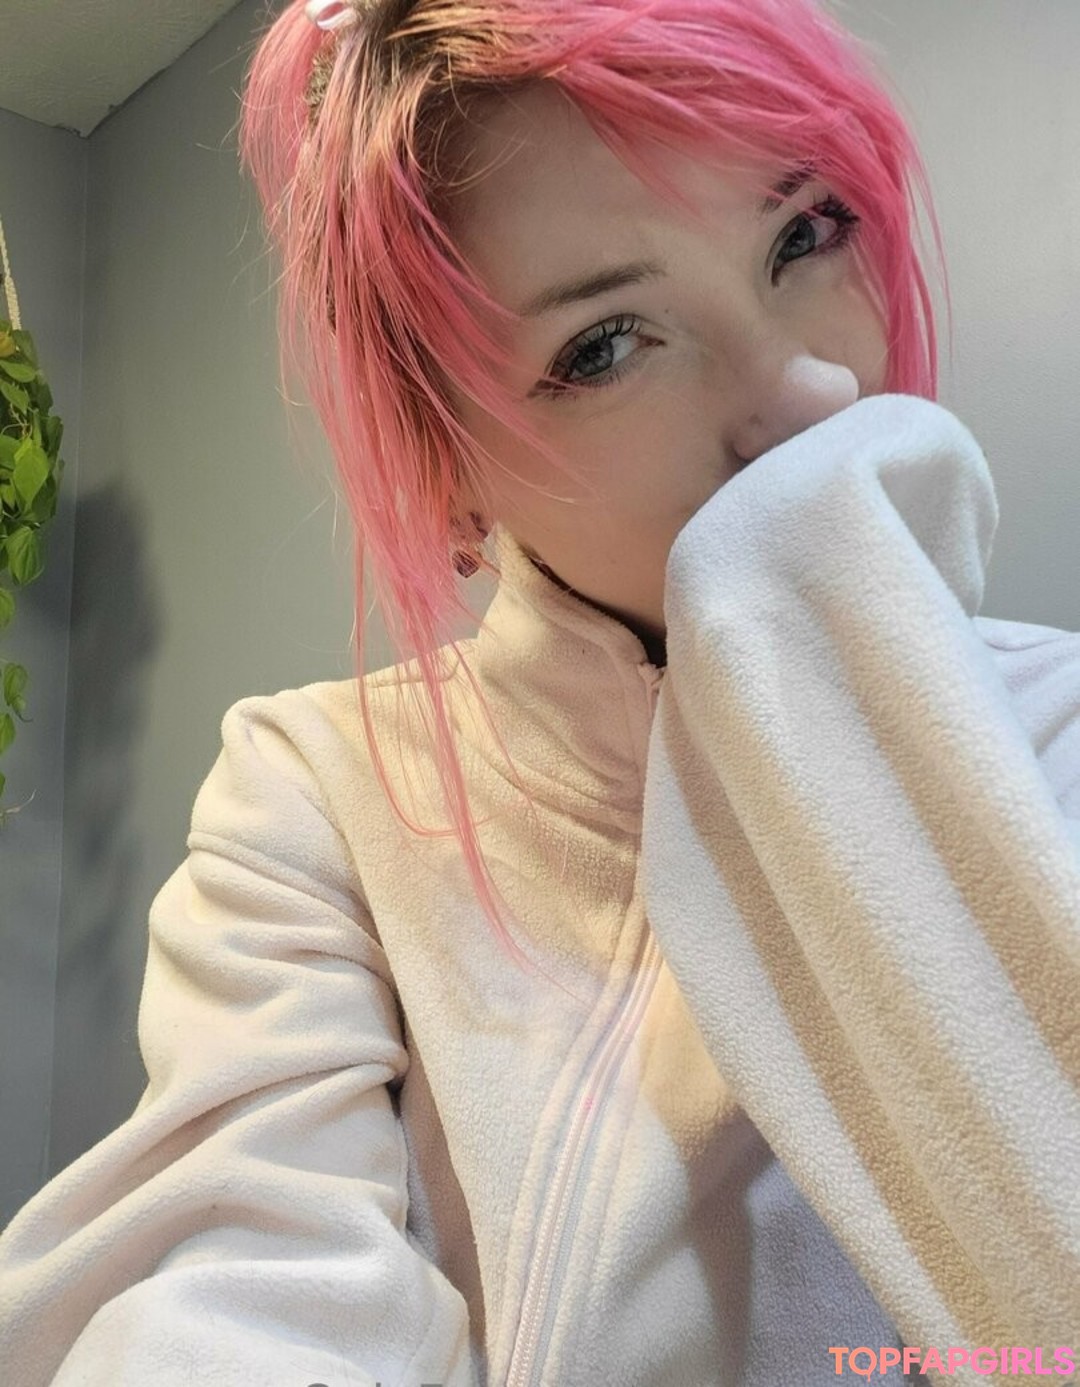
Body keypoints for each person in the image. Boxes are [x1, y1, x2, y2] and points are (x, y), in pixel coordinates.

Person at [1, 1, 1078, 1384]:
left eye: (806, 233)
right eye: (607, 344)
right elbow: (246, 1283)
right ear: (449, 475)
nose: (811, 395)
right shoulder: (320, 791)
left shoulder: (1056, 725)